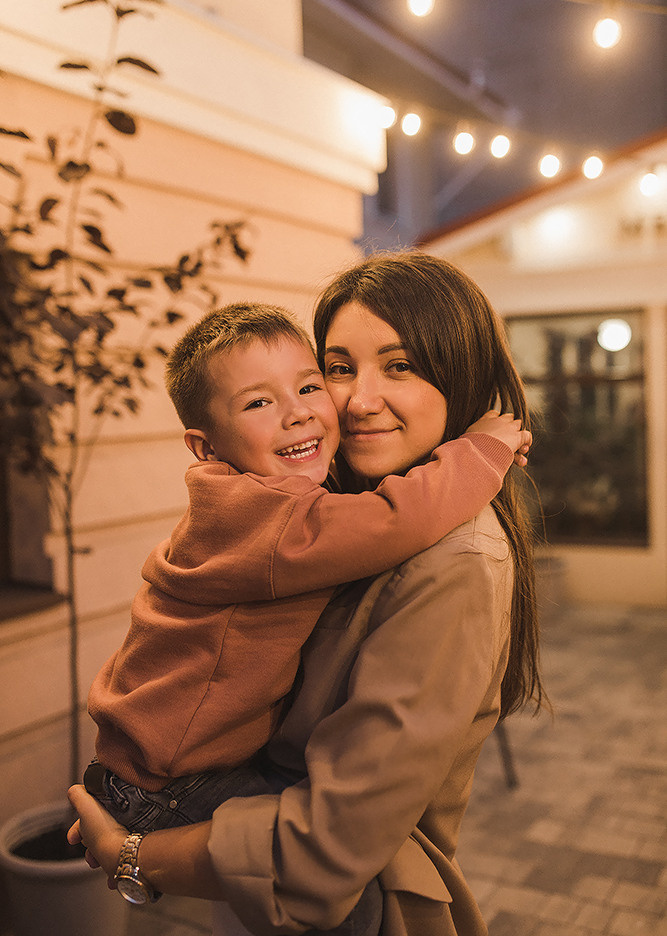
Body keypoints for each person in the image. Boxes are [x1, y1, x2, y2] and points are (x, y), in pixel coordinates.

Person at [69, 252, 546, 936]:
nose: (355, 399)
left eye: (400, 365)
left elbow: (327, 843)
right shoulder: (315, 510)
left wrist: (129, 855)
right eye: (341, 368)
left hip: (340, 889)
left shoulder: (455, 563)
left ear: (460, 373)